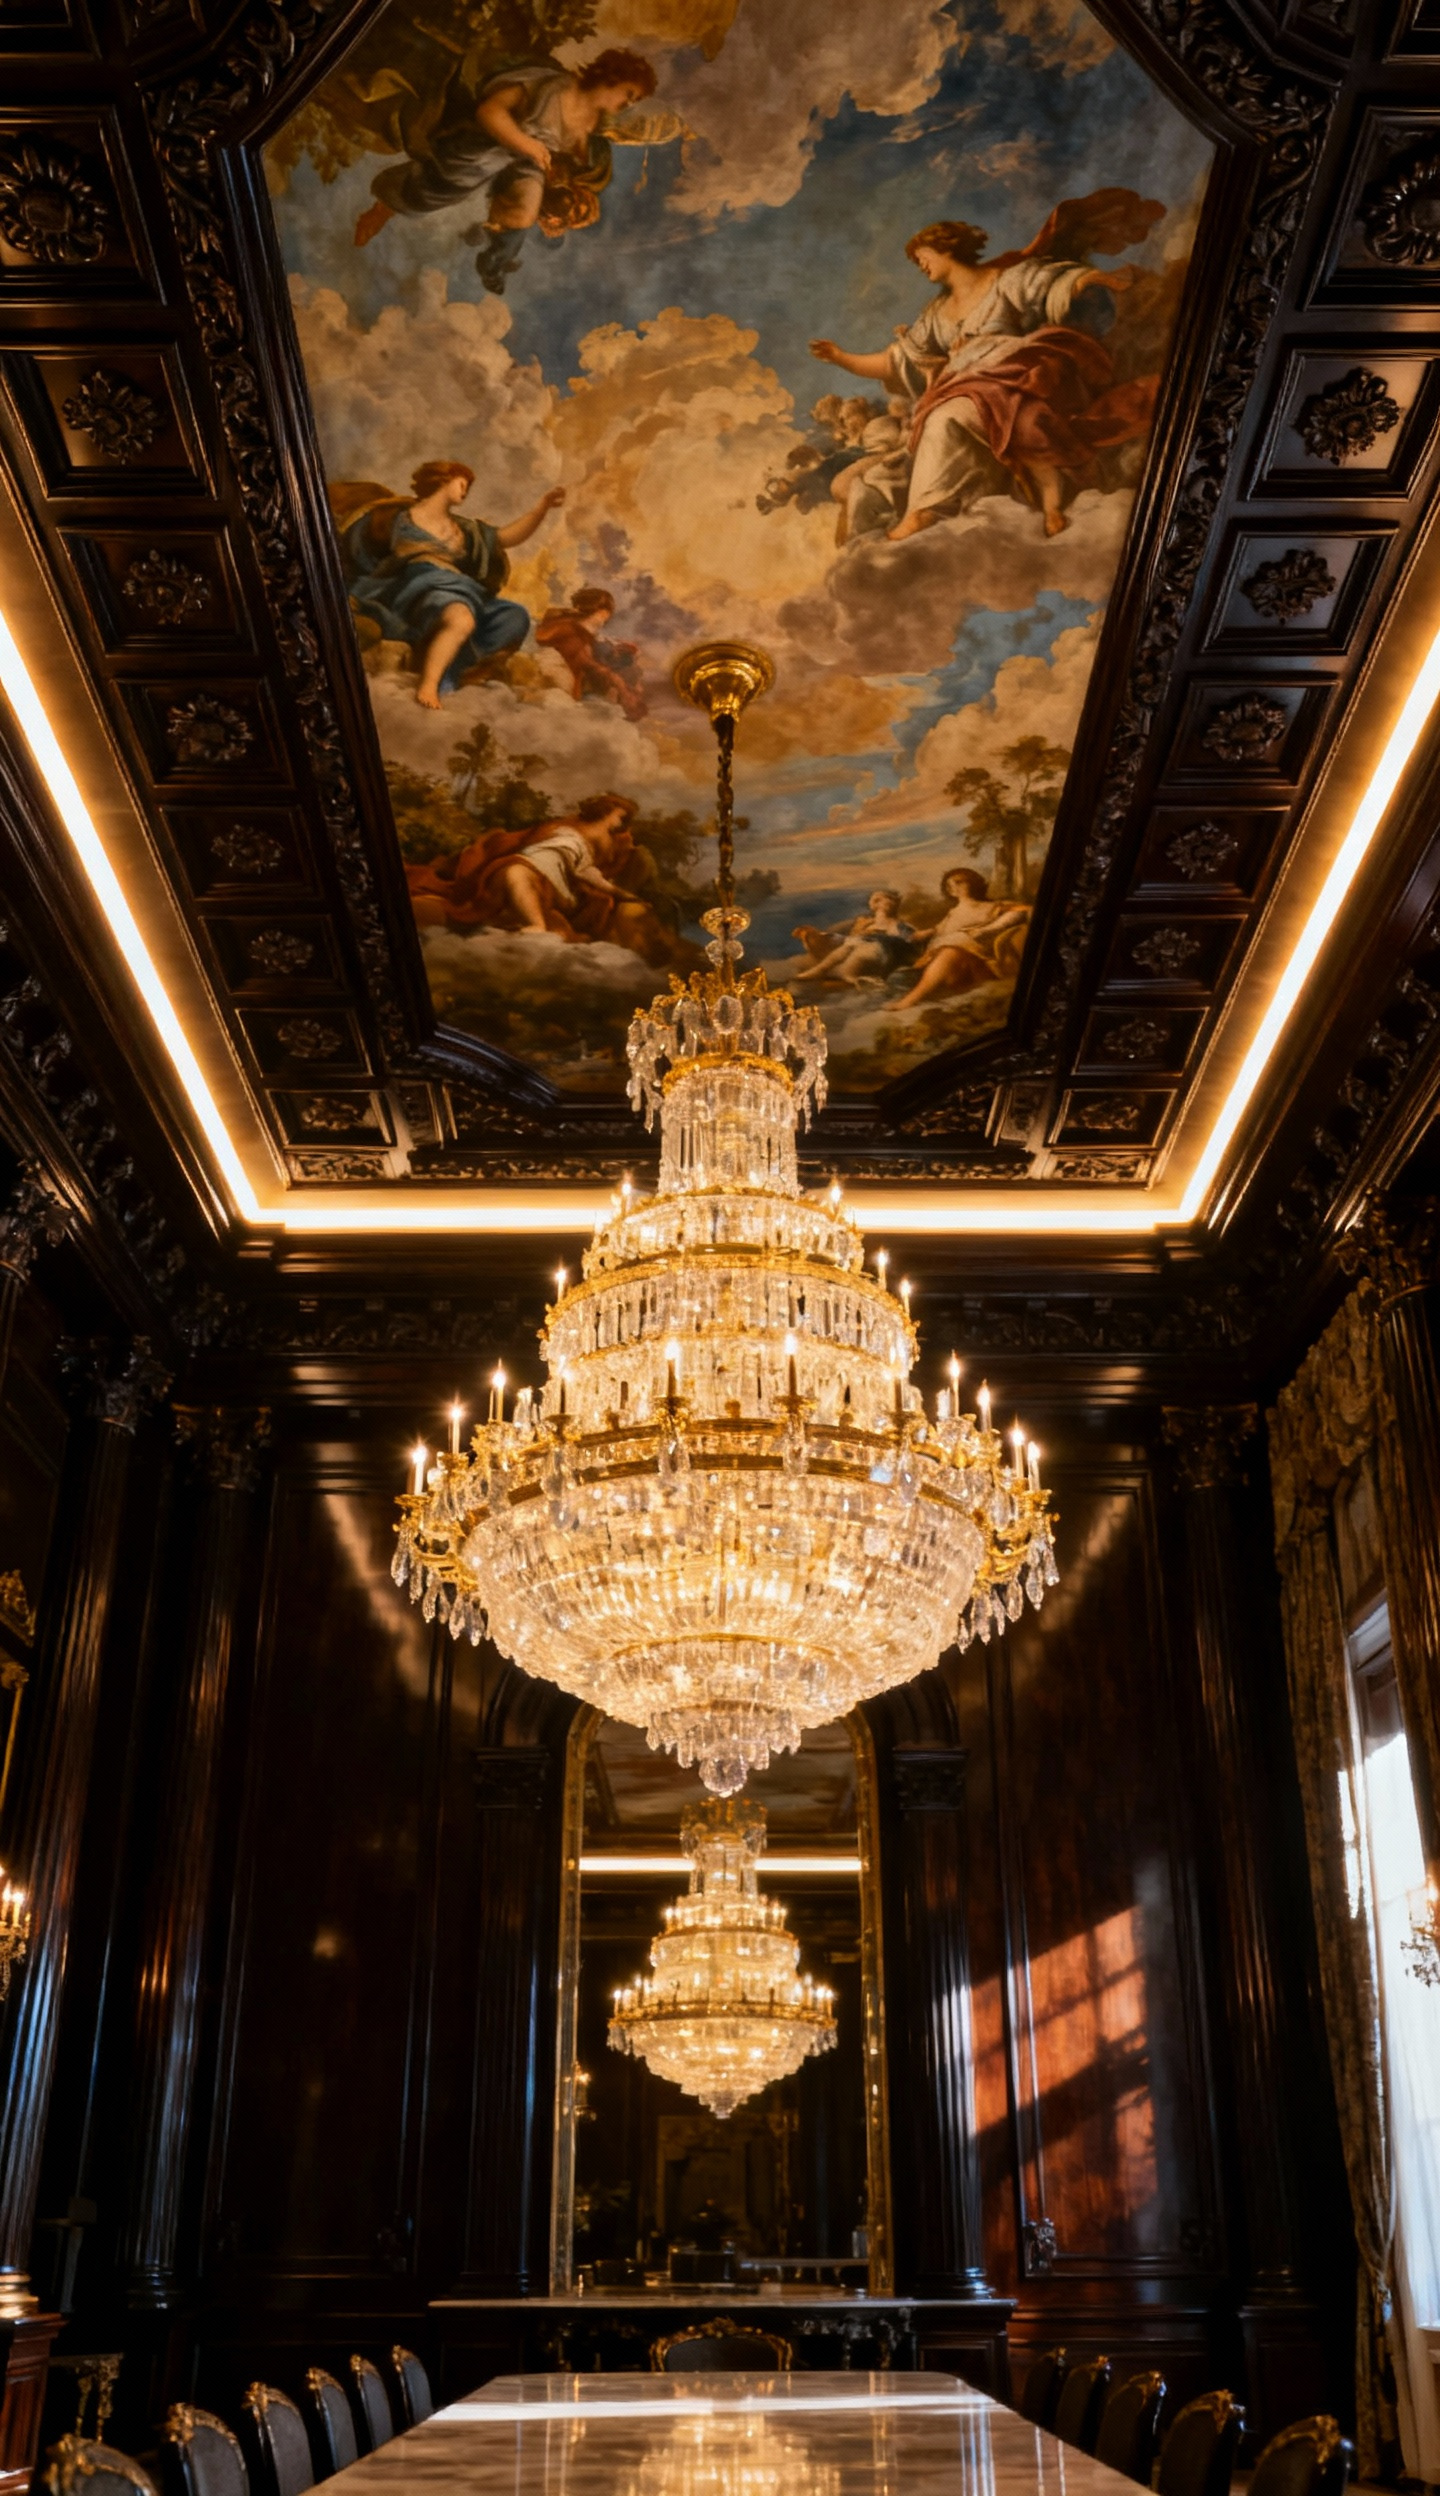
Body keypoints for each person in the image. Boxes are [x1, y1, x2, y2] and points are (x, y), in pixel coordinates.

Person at [810, 193, 1163, 539]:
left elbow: (1053, 285)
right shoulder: (935, 315)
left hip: (1007, 370)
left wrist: (1093, 281)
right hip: (960, 383)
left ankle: (927, 510)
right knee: (920, 438)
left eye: (923, 255)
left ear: (947, 247)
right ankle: (925, 507)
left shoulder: (1003, 279)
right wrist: (842, 357)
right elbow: (897, 362)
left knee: (945, 418)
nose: (920, 264)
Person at [352, 51, 659, 295]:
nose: (628, 103)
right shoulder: (552, 86)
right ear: (612, 77)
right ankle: (383, 208)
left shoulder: (593, 128)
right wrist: (525, 144)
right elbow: (489, 111)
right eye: (629, 93)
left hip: (527, 163)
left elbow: (563, 163)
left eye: (634, 101)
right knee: (446, 184)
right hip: (496, 143)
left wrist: (560, 176)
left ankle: (493, 263)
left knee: (524, 214)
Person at [332, 461, 564, 708]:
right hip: (419, 585)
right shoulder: (398, 516)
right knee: (461, 618)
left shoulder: (464, 529)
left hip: (460, 589)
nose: (465, 492)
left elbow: (506, 537)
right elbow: (357, 545)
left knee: (514, 616)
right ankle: (431, 685)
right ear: (443, 480)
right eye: (462, 484)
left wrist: (541, 509)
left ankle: (454, 670)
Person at [883, 868, 1031, 1009]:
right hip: (942, 964)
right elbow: (935, 930)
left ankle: (908, 1002)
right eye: (949, 885)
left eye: (959, 882)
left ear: (973, 883)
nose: (953, 886)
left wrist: (988, 929)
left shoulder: (990, 906)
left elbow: (1022, 911)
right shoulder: (952, 913)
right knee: (897, 977)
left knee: (950, 953)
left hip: (976, 966)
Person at [536, 587, 646, 718]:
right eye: (602, 617)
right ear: (594, 612)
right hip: (556, 686)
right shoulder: (568, 630)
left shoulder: (582, 634)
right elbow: (585, 661)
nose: (602, 623)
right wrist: (617, 682)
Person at [793, 891, 916, 986]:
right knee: (847, 949)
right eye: (883, 900)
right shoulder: (865, 923)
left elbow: (908, 939)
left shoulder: (897, 924)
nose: (888, 902)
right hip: (856, 946)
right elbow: (850, 938)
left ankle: (845, 975)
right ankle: (822, 970)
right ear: (875, 905)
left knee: (859, 951)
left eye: (890, 900)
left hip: (880, 952)